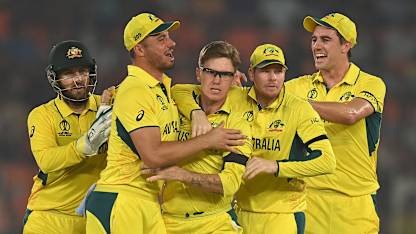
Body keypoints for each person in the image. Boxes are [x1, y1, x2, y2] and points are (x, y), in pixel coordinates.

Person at [85, 13, 246, 234]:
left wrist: (231, 93)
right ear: (140, 50)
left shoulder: (164, 91)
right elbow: (153, 155)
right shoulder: (135, 90)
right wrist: (208, 139)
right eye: (161, 39)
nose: (172, 43)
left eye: (169, 37)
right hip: (122, 198)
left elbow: (186, 92)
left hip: (150, 203)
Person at [173, 43, 336, 234]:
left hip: (281, 214)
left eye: (278, 71)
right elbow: (180, 91)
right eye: (265, 71)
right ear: (251, 74)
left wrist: (275, 166)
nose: (273, 78)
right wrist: (196, 113)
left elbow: (327, 161)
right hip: (240, 210)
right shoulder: (236, 96)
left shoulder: (299, 109)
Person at [285, 13, 386, 234]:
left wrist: (300, 106)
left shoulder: (370, 84)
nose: (316, 46)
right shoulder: (297, 86)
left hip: (355, 205)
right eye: (314, 40)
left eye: (325, 39)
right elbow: (262, 98)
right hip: (308, 200)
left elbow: (351, 113)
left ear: (346, 45)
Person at [141, 41, 252, 234]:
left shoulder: (237, 124)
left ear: (234, 78)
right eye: (210, 72)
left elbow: (230, 184)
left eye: (225, 74)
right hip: (168, 222)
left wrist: (182, 175)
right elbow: (176, 90)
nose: (216, 80)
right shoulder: (178, 104)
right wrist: (196, 113)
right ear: (198, 73)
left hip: (214, 223)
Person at [23, 40, 113, 234]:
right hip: (49, 218)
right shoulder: (42, 115)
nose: (78, 79)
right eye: (69, 74)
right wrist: (85, 145)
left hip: (92, 219)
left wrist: (194, 110)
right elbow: (46, 161)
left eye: (82, 71)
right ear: (55, 78)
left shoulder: (107, 106)